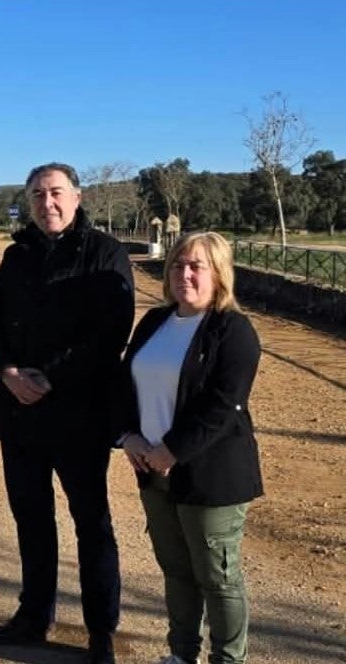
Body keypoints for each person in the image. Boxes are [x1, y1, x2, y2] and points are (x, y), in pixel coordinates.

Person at [0, 163, 134, 664]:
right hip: (19, 413)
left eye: (57, 192)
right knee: (31, 518)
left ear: (77, 196)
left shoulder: (105, 254)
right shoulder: (17, 254)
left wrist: (50, 378)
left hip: (80, 414)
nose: (48, 202)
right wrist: (6, 372)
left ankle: (100, 628)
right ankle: (34, 614)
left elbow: (111, 332)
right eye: (39, 194)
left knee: (92, 522)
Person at [116, 232, 262, 664]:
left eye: (197, 266)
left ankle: (227, 660)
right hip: (152, 470)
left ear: (219, 273)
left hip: (210, 477)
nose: (185, 274)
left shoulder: (233, 330)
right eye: (178, 265)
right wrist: (129, 437)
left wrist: (174, 450)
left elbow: (225, 404)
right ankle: (182, 654)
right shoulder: (155, 322)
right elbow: (125, 386)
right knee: (177, 571)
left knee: (218, 578)